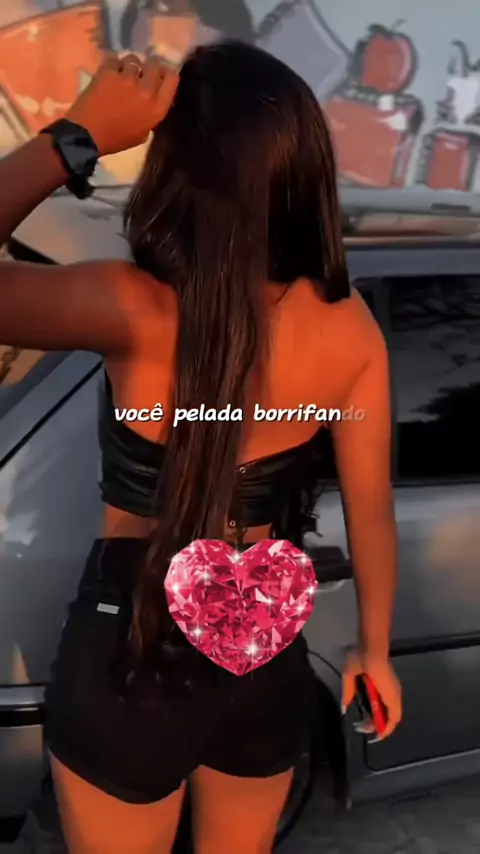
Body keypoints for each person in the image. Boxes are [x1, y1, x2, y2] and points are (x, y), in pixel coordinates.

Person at [0, 43, 401, 853]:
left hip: (132, 650)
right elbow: (372, 512)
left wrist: (74, 139)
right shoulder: (349, 324)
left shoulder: (130, 306)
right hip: (266, 652)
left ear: (177, 170)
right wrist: (375, 649)